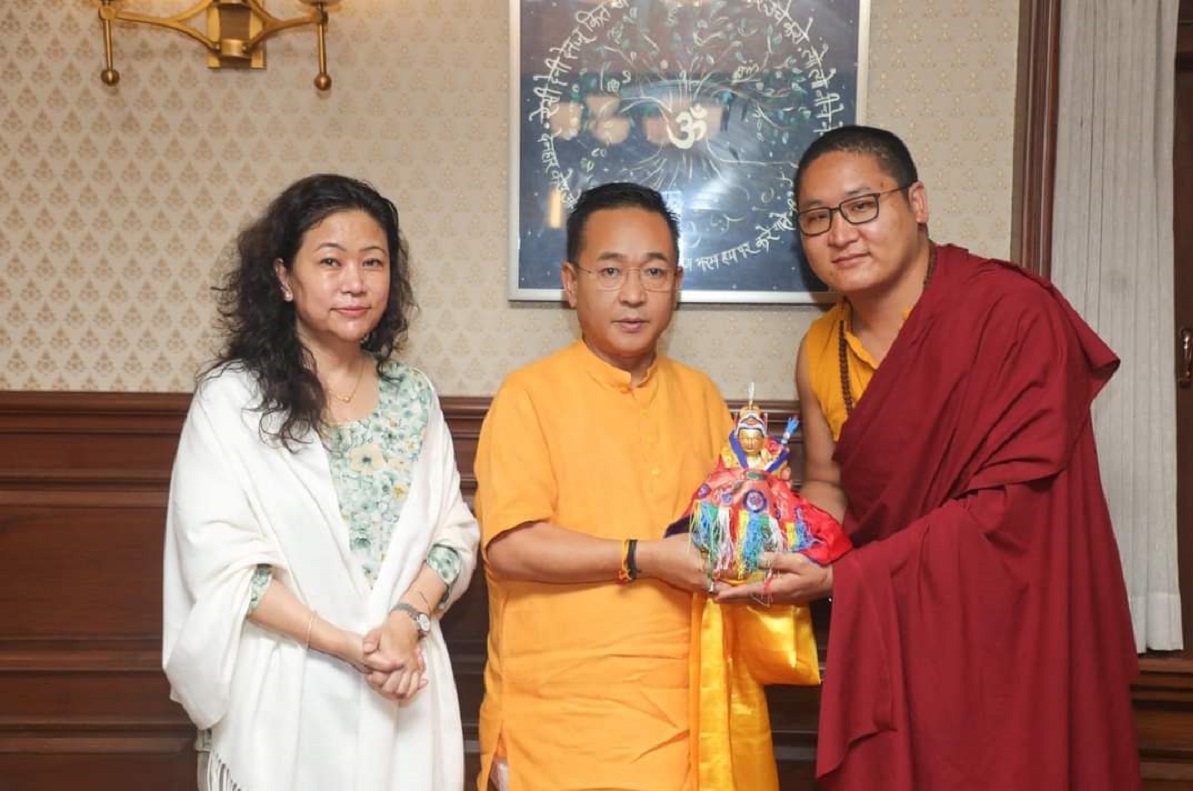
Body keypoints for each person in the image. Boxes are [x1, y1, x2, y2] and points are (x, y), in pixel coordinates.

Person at [717, 125, 1143, 789]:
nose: (841, 233)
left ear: (917, 203)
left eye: (862, 205)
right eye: (816, 217)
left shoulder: (1012, 313)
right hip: (898, 632)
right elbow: (830, 483)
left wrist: (846, 580)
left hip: (1018, 633)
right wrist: (776, 535)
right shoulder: (820, 348)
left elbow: (1013, 515)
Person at [162, 173, 480, 791]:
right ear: (284, 277)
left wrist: (403, 622)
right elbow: (223, 564)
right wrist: (344, 645)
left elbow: (454, 532)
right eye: (330, 261)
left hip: (402, 679)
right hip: (288, 688)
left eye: (373, 262)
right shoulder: (233, 400)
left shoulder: (413, 395)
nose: (355, 282)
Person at [473, 182, 734, 791]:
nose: (634, 294)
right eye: (610, 270)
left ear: (679, 282)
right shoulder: (528, 395)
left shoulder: (704, 397)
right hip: (558, 724)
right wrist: (640, 557)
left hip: (682, 716)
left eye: (655, 271)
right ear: (570, 282)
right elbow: (509, 547)